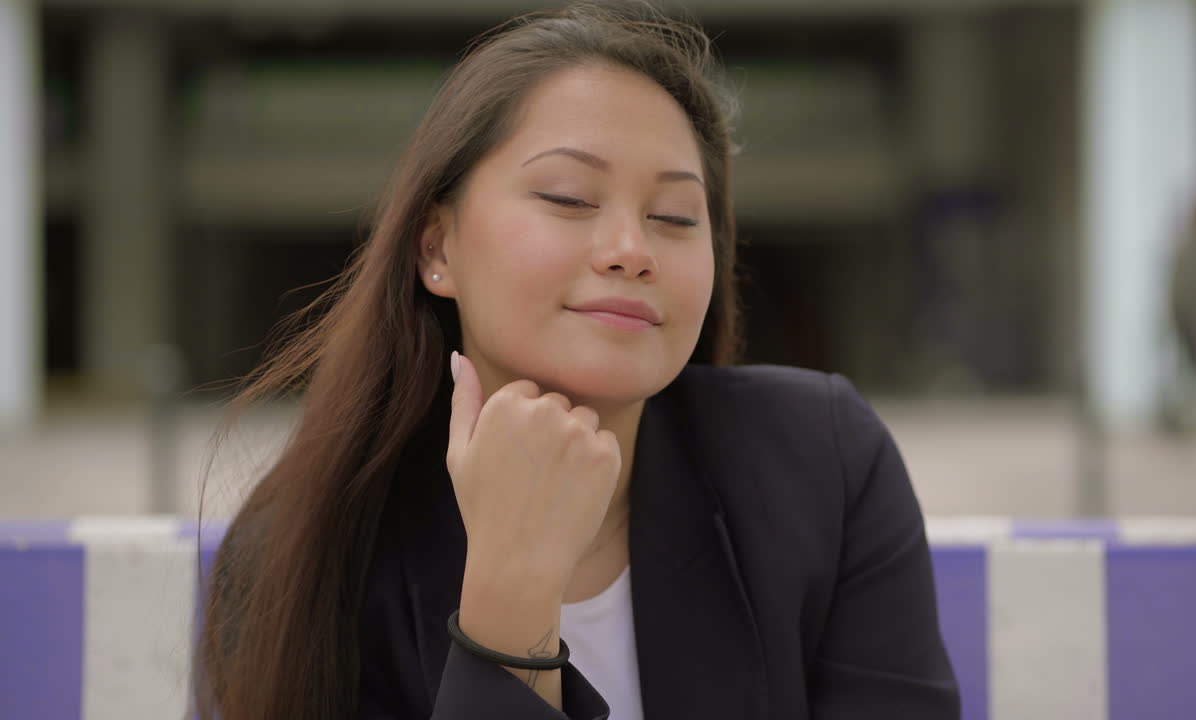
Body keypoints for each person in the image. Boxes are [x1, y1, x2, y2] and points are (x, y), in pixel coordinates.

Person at [193, 2, 959, 718]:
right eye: (567, 198)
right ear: (437, 247)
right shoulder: (302, 552)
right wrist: (511, 596)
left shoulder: (823, 465)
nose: (631, 250)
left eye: (673, 216)